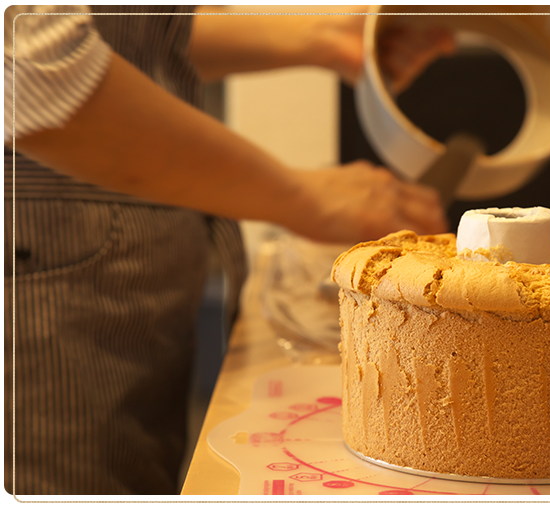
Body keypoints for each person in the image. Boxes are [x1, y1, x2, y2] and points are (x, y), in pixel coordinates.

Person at [5, 5, 454, 494]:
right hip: (37, 298)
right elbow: (31, 71)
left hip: (113, 287)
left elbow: (116, 30)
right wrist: (304, 196)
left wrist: (320, 34)